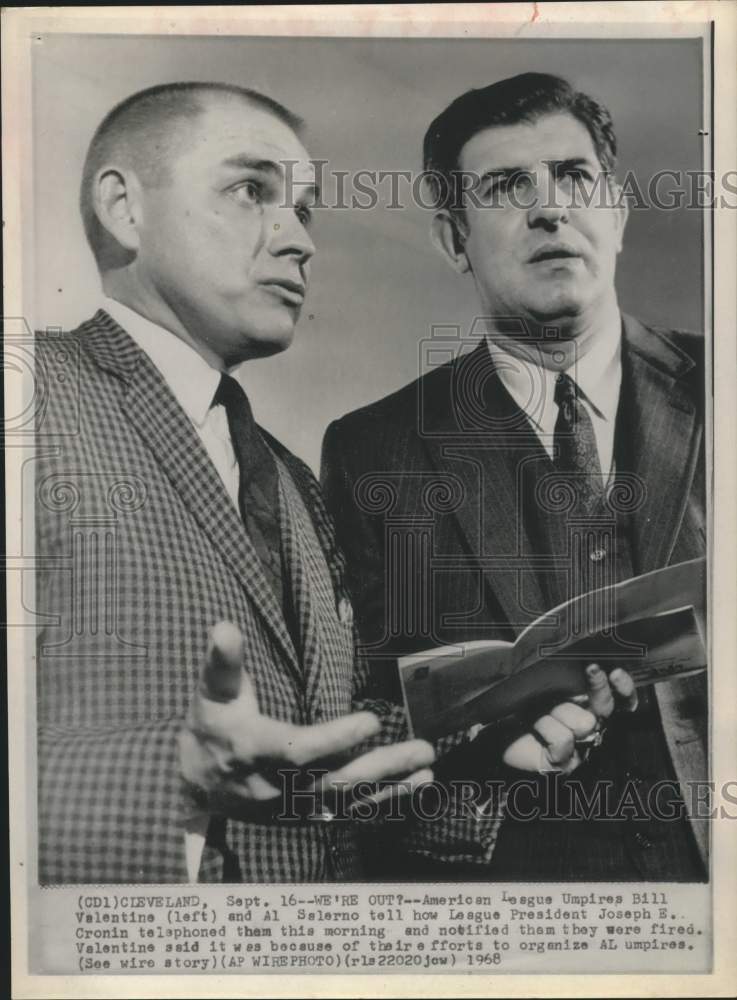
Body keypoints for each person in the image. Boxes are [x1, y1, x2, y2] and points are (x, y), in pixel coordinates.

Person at [35, 81, 436, 885]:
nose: (299, 241)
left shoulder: (289, 475)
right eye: (251, 190)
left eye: (304, 210)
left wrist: (492, 737)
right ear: (124, 209)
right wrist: (171, 776)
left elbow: (320, 736)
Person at [322, 73, 707, 880]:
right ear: (452, 238)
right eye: (506, 187)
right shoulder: (374, 449)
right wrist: (488, 753)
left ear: (619, 210)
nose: (549, 208)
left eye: (575, 177)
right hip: (521, 897)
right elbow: (366, 717)